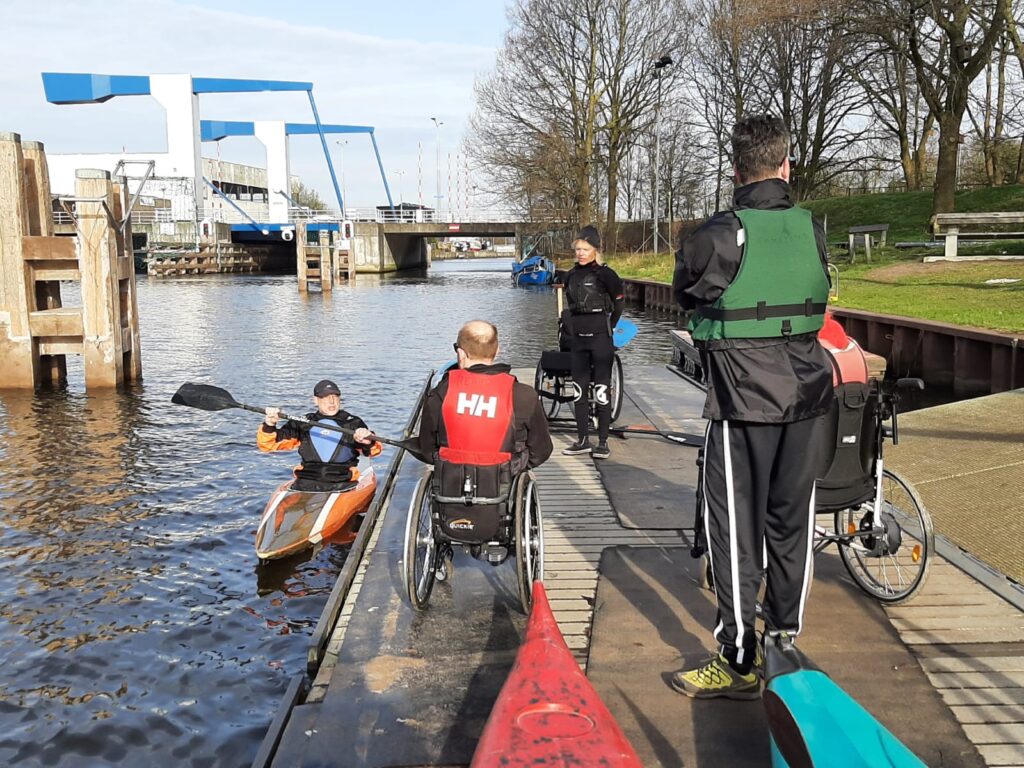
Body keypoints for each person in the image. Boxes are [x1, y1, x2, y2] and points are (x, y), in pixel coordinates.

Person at [670, 114, 834, 699]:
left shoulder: (714, 235)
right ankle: (785, 638)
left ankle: (739, 656)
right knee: (792, 523)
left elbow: (687, 292)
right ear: (786, 165)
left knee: (736, 530)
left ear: (735, 170)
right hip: (812, 395)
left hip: (743, 401)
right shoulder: (815, 228)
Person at [418, 320, 553, 473]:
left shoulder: (441, 392)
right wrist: (512, 467)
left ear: (460, 353)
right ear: (497, 351)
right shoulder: (524, 395)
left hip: (450, 480)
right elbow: (542, 450)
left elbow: (427, 448)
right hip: (503, 477)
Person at [556, 226, 624, 459]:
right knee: (579, 392)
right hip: (579, 341)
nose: (581, 253)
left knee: (602, 390)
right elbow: (570, 310)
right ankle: (583, 439)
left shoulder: (607, 275)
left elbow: (619, 305)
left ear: (595, 249)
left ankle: (603, 442)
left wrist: (610, 326)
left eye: (585, 249)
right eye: (578, 249)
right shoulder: (571, 275)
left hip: (600, 339)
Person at [259, 379, 382, 492]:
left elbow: (373, 451)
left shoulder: (352, 422)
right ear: (315, 400)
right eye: (325, 397)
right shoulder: (303, 422)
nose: (332, 401)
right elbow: (268, 445)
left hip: (343, 483)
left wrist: (367, 441)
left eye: (335, 396)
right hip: (305, 483)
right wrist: (269, 424)